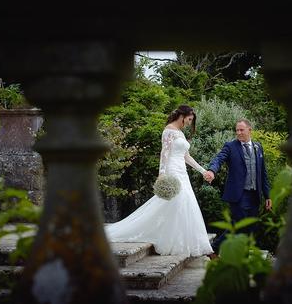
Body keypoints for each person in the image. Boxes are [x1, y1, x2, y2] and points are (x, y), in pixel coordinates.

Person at [105, 104, 215, 258]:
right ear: (182, 116)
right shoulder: (169, 130)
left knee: (182, 204)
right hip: (171, 171)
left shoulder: (180, 133)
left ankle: (180, 240)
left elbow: (186, 156)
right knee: (178, 202)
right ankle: (176, 241)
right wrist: (162, 174)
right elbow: (164, 153)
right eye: (189, 119)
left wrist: (203, 171)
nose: (190, 123)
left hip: (182, 172)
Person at [205, 118, 272, 253]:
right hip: (238, 194)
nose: (239, 133)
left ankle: (241, 253)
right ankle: (214, 248)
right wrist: (212, 170)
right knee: (238, 224)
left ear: (249, 130)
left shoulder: (258, 147)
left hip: (255, 194)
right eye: (237, 130)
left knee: (251, 226)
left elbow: (262, 173)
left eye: (242, 130)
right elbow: (219, 158)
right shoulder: (230, 146)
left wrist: (267, 195)